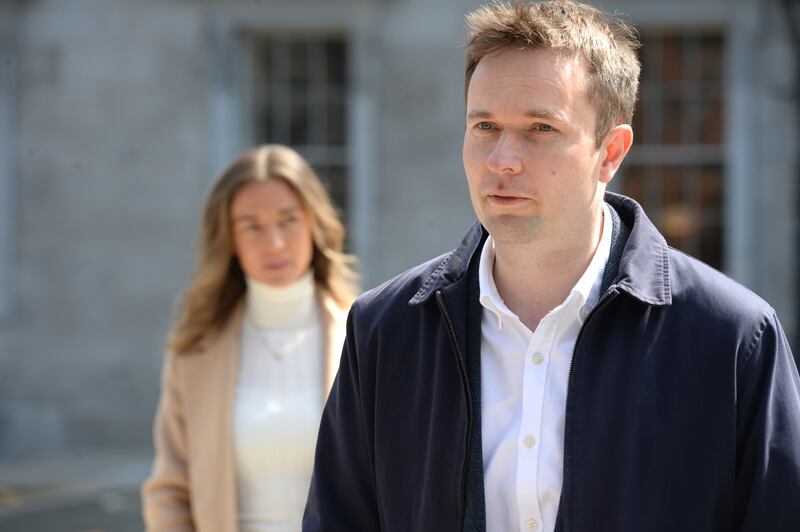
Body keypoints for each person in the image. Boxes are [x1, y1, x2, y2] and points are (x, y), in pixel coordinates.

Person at [303, 1, 800, 531]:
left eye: (540, 128)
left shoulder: (733, 339)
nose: (501, 160)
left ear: (610, 152)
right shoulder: (385, 331)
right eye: (485, 125)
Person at [141, 144, 357, 532]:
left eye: (288, 220)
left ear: (315, 223)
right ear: (230, 241)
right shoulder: (195, 352)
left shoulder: (364, 338)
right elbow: (169, 491)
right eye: (251, 226)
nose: (273, 243)